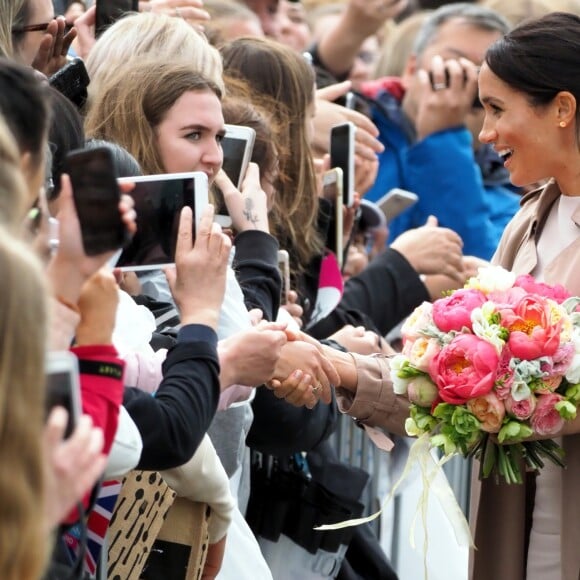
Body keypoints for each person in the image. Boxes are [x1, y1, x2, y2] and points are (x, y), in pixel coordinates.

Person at [472, 11, 580, 580]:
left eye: (496, 109)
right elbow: (468, 364)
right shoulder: (528, 222)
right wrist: (343, 373)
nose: (484, 134)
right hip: (529, 526)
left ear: (562, 109)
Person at [362, 3, 521, 260]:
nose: (466, 84)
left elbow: (477, 273)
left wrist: (443, 141)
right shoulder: (359, 139)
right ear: (411, 70)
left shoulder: (513, 184)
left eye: (482, 74)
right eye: (451, 68)